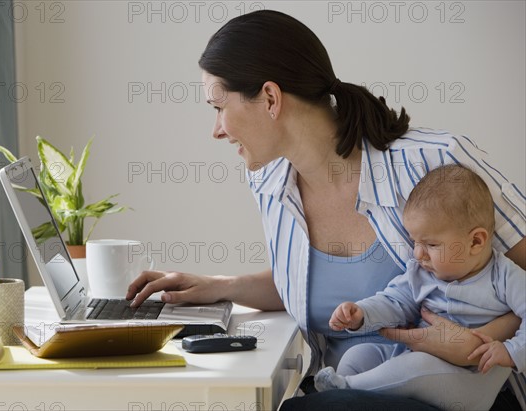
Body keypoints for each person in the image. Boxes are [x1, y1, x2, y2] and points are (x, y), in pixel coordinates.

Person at [126, 10, 526, 410]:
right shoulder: (270, 182)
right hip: (349, 387)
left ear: (269, 98)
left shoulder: (435, 162)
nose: (216, 130)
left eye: (217, 107)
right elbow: (308, 281)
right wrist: (220, 287)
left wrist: (484, 340)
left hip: (460, 389)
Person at [314, 164, 525, 410]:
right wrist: (361, 313)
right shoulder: (421, 272)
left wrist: (513, 350)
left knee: (414, 368)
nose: (418, 253)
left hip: (469, 382)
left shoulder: (503, 277)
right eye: (415, 241)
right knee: (359, 354)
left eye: (431, 244)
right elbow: (394, 300)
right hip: (411, 360)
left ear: (475, 241)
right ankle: (345, 393)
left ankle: (345, 391)